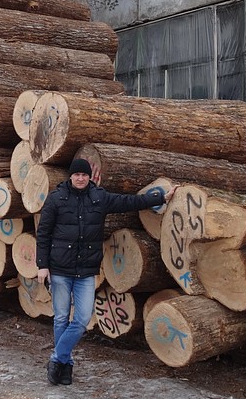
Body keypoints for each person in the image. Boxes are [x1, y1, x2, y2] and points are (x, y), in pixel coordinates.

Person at [36, 157, 176, 385]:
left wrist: (160, 197)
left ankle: (56, 358)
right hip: (60, 269)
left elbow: (130, 202)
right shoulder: (56, 199)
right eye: (77, 174)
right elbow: (43, 233)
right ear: (70, 176)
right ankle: (66, 366)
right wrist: (42, 265)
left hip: (86, 271)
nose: (80, 178)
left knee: (81, 319)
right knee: (61, 317)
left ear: (89, 177)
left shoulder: (99, 197)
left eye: (84, 175)